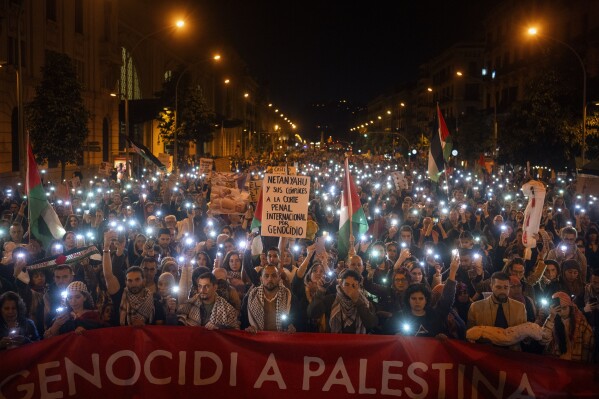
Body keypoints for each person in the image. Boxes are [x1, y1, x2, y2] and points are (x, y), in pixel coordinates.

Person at [384, 251, 459, 337]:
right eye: (413, 298)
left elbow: (446, 301)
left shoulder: (434, 317)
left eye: (420, 298)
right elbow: (385, 334)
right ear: (408, 299)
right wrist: (395, 336)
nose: (417, 302)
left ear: (426, 299)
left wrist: (452, 272)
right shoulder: (399, 317)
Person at [102, 231, 165, 326]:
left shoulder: (155, 301)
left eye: (137, 279)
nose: (133, 283)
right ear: (125, 282)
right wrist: (106, 248)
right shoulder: (120, 296)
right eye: (130, 280)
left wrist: (144, 327)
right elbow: (108, 275)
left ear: (143, 280)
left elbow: (159, 330)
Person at [467, 272, 527, 349]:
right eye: (499, 287)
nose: (502, 291)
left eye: (506, 287)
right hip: (486, 354)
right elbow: (470, 334)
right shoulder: (476, 307)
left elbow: (524, 335)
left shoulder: (520, 308)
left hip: (512, 354)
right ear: (491, 287)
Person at [307, 269, 378, 334]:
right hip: (335, 344)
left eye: (353, 286)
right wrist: (320, 291)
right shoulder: (332, 299)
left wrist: (358, 301)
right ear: (341, 284)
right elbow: (313, 314)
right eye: (347, 285)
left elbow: (371, 324)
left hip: (358, 344)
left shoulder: (365, 302)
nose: (350, 288)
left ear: (358, 286)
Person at [540, 291, 595, 363]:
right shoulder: (552, 320)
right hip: (556, 362)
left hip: (575, 363)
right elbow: (543, 340)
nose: (562, 312)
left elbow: (589, 343)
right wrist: (552, 317)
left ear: (570, 307)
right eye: (559, 309)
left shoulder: (579, 320)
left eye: (564, 308)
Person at [241, 265, 297, 333]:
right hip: (257, 339)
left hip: (282, 340)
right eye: (266, 276)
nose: (270, 279)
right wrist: (248, 328)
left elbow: (297, 320)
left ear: (279, 278)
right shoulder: (251, 297)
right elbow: (243, 322)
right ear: (261, 279)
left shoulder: (288, 296)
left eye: (274, 276)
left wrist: (293, 327)